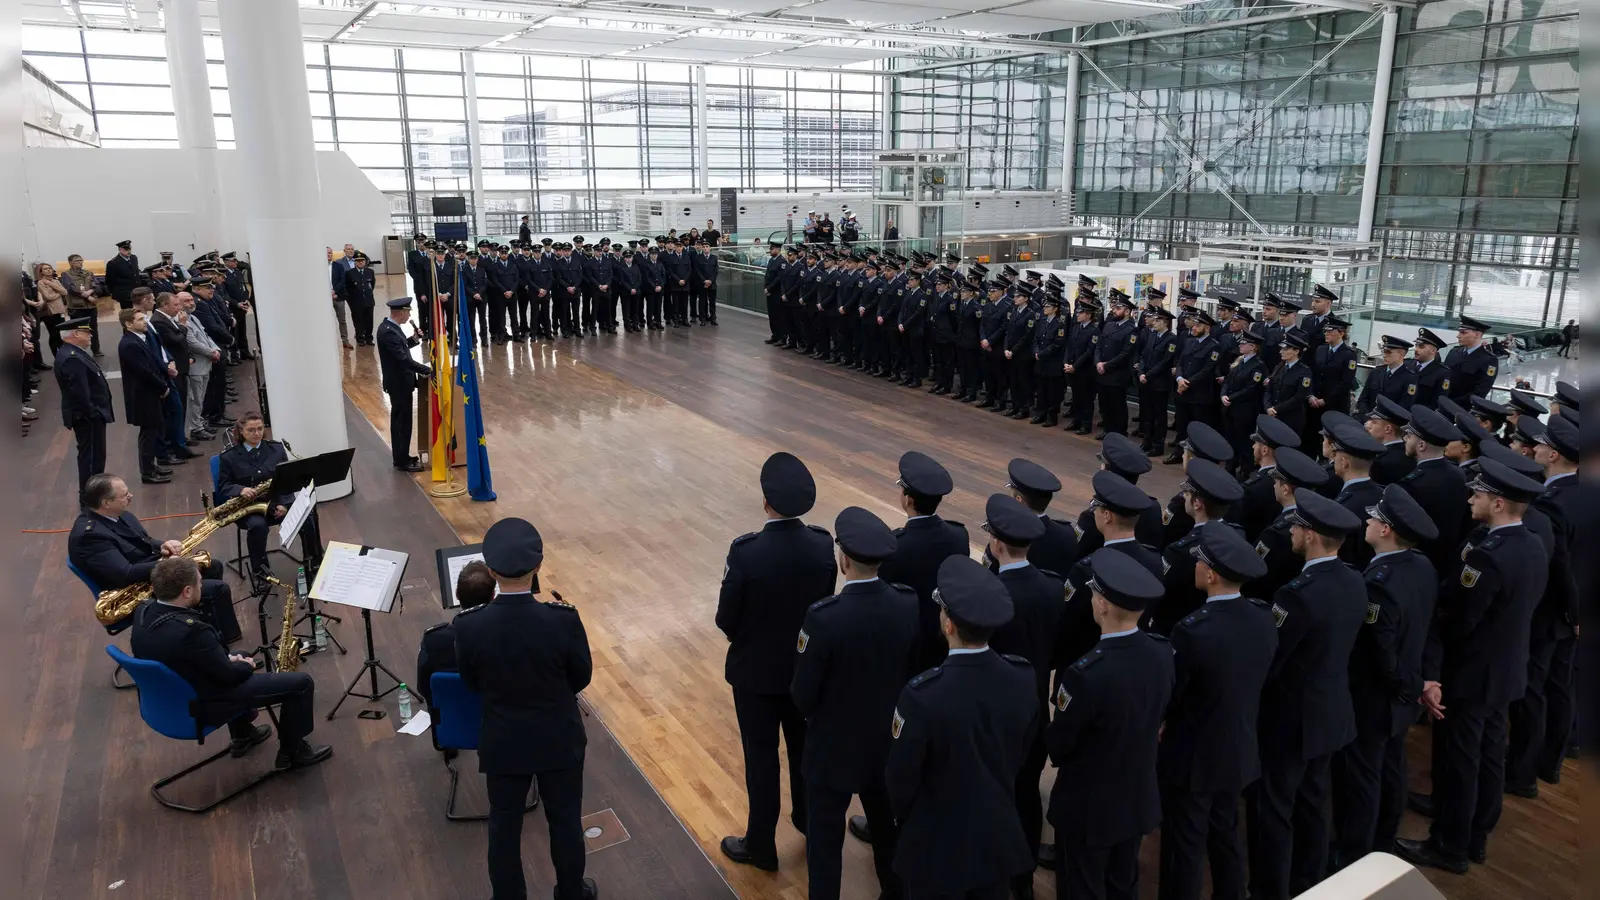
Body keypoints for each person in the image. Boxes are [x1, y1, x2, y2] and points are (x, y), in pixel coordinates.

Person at [1396, 459, 1549, 874]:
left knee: (1460, 762)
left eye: (1478, 495)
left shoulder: (1485, 558)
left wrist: (1435, 666)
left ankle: (1449, 845)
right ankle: (1477, 836)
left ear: (1498, 503)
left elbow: (1460, 620)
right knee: (1488, 759)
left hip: (1472, 674)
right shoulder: (1532, 543)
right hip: (1507, 670)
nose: (1471, 499)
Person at [454, 517, 597, 900]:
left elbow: (471, 682)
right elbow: (581, 677)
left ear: (492, 570)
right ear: (538, 566)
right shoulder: (562, 619)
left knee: (503, 827)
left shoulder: (468, 626)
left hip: (503, 739)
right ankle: (570, 892)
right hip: (558, 736)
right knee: (565, 822)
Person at [885, 556, 1038, 900]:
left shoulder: (922, 695)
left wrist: (908, 818)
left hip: (936, 842)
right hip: (997, 836)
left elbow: (901, 779)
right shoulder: (1022, 677)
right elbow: (1022, 748)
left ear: (948, 625)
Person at [716, 452, 837, 872]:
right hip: (805, 672)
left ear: (765, 502)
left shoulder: (746, 552)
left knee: (762, 759)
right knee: (804, 751)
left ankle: (761, 845)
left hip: (755, 675)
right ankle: (808, 822)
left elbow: (725, 617)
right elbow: (822, 608)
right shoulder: (823, 544)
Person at [791, 506, 918, 900]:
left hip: (833, 748)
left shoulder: (824, 617)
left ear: (842, 559)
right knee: (886, 830)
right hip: (885, 742)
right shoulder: (906, 602)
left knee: (825, 843)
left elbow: (802, 694)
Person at [1246, 490, 1366, 900]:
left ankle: (1270, 890)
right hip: (1331, 710)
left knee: (1275, 808)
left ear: (1311, 535)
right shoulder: (1354, 580)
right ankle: (1310, 882)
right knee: (1314, 804)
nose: (1292, 532)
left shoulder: (1295, 595)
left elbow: (1273, 661)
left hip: (1291, 719)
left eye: (1297, 527)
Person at [1157, 525, 1275, 900]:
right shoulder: (1262, 618)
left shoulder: (1192, 631)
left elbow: (1173, 693)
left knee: (1186, 846)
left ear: (1210, 574)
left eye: (1198, 563)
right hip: (1239, 747)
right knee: (1224, 835)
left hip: (1194, 756)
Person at [1047, 549, 1173, 900]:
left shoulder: (1086, 674)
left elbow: (1060, 744)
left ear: (1101, 604)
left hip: (1089, 809)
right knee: (1123, 883)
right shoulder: (1162, 653)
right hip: (1135, 799)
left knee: (1080, 888)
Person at [130, 556, 330, 768]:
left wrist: (226, 659)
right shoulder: (193, 631)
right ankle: (293, 753)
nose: (202, 586)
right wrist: (244, 665)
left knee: (240, 653)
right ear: (186, 591)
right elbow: (228, 676)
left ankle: (242, 735)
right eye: (199, 582)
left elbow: (189, 655)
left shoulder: (143, 611)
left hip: (171, 692)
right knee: (301, 683)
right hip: (205, 702)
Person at [1330, 485, 1438, 870]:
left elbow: (1379, 653)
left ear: (1387, 530)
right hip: (1403, 695)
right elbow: (1428, 630)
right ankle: (1384, 838)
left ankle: (1354, 854)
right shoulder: (1421, 566)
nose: (1368, 522)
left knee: (1362, 778)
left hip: (1376, 695)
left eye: (1375, 519)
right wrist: (1425, 682)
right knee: (1392, 769)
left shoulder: (1378, 582)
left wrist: (1410, 685)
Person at [977, 495, 1061, 898]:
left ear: (995, 543)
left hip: (995, 719)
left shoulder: (989, 594)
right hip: (1035, 711)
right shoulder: (1052, 587)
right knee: (1027, 795)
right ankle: (1023, 879)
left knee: (994, 799)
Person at [69, 473, 241, 641]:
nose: (131, 496)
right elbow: (125, 574)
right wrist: (169, 564)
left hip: (145, 570)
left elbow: (144, 541)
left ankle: (199, 624)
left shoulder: (118, 514)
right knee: (218, 589)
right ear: (106, 503)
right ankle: (222, 643)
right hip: (132, 590)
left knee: (214, 566)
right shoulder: (90, 537)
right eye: (124, 495)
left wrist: (162, 545)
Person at [1506, 416, 1580, 796]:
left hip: (1552, 610)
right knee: (1561, 686)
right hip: (1573, 613)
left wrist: (1571, 612)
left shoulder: (1553, 503)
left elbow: (1559, 564)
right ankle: (1551, 762)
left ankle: (1521, 772)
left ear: (1553, 454)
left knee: (1531, 691)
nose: (1534, 450)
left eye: (1540, 446)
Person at [879, 451, 970, 675]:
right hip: (947, 638)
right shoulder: (959, 535)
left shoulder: (895, 546)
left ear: (908, 499)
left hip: (909, 644)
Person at [216, 411, 324, 579]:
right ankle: (260, 572)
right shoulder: (229, 457)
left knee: (308, 516)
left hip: (278, 503)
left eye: (260, 428)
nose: (257, 433)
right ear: (241, 431)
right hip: (250, 508)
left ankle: (313, 562)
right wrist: (240, 490)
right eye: (251, 430)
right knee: (258, 527)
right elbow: (224, 486)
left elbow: (288, 480)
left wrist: (284, 504)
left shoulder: (277, 449)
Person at [416, 560, 495, 708]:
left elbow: (424, 689)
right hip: (498, 725)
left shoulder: (433, 640)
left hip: (449, 727)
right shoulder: (503, 637)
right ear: (493, 596)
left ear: (457, 594)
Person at [118, 310, 174, 485]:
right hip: (143, 396)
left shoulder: (140, 338)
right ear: (128, 324)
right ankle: (147, 471)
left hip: (150, 393)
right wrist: (162, 386)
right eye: (140, 319)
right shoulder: (129, 344)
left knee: (154, 429)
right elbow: (143, 371)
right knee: (148, 434)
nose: (145, 322)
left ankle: (151, 465)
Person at [377, 298, 432, 472]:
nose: (409, 315)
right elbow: (403, 360)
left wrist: (414, 339)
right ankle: (401, 460)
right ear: (400, 312)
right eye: (407, 312)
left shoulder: (392, 329)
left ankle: (403, 455)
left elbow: (401, 348)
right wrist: (428, 369)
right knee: (401, 422)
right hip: (398, 383)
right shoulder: (388, 332)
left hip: (402, 382)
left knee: (404, 421)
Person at [1167, 308, 1218, 464]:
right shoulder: (1189, 342)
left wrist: (1187, 383)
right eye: (1193, 325)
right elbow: (1181, 362)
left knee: (1199, 427)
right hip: (1183, 391)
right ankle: (1179, 452)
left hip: (1199, 394)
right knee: (1182, 425)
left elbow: (1207, 370)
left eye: (1197, 326)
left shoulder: (1214, 346)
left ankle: (1199, 456)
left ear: (1207, 328)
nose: (1193, 328)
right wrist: (1180, 378)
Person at [178, 291, 222, 443]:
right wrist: (211, 353)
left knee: (201, 397)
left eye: (191, 300)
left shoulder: (193, 317)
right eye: (187, 301)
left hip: (205, 363)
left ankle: (199, 422)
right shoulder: (181, 321)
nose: (191, 303)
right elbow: (192, 343)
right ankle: (195, 428)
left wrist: (216, 349)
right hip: (195, 366)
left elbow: (206, 337)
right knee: (194, 398)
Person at [1356, 334, 1418, 416]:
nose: (1384, 355)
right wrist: (1367, 416)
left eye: (1388, 352)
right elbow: (1363, 399)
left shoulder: (1410, 378)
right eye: (1383, 351)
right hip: (1367, 419)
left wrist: (1381, 420)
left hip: (1389, 424)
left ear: (1401, 354)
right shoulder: (1376, 372)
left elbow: (1404, 407)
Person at [1443, 315, 1497, 405]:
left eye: (1463, 333)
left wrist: (1451, 404)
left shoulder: (1488, 359)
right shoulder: (1453, 352)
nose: (1458, 336)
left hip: (1463, 410)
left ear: (1477, 334)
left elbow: (1480, 392)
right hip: (1441, 405)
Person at [1365, 396, 1416, 485]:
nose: (1369, 426)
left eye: (1374, 422)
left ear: (1388, 429)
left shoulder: (1381, 463)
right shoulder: (1409, 453)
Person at [59, 254, 102, 357]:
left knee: (93, 328)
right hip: (76, 307)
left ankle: (96, 350)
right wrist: (86, 296)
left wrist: (91, 291)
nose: (80, 262)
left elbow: (96, 285)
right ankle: (79, 351)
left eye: (81, 260)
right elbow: (70, 288)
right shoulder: (66, 274)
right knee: (78, 329)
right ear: (70, 262)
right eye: (77, 261)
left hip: (90, 306)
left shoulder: (88, 273)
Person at [343, 251, 377, 346]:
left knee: (369, 320)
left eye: (362, 260)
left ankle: (369, 338)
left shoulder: (370, 272)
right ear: (354, 262)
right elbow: (347, 287)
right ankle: (360, 338)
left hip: (369, 300)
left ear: (365, 261)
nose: (360, 262)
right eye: (358, 261)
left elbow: (372, 284)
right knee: (358, 320)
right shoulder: (350, 273)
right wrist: (351, 299)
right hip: (356, 301)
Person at [105, 240, 141, 309]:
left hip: (136, 291)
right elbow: (110, 280)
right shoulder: (113, 263)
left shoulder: (134, 258)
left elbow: (136, 274)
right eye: (126, 249)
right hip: (124, 293)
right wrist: (114, 292)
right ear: (120, 249)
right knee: (128, 314)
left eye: (130, 249)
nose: (129, 251)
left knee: (138, 312)